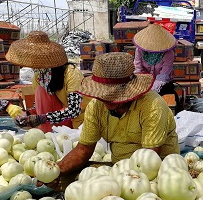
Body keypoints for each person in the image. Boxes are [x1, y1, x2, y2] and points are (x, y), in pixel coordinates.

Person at [52, 52, 179, 189]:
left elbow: (149, 160)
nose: (107, 99)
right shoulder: (96, 107)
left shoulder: (152, 106)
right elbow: (83, 150)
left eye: (114, 95)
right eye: (103, 94)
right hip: (118, 172)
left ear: (130, 89)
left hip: (161, 175)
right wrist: (56, 170)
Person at [6, 31, 88, 132]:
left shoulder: (71, 74)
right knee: (40, 90)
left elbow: (74, 110)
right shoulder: (39, 77)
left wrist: (42, 119)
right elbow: (38, 107)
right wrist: (26, 115)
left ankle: (50, 134)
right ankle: (47, 135)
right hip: (57, 119)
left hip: (80, 122)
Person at [132, 23, 182, 112]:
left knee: (168, 95)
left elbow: (163, 76)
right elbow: (138, 69)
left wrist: (151, 91)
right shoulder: (139, 50)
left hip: (162, 84)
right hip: (144, 81)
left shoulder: (168, 54)